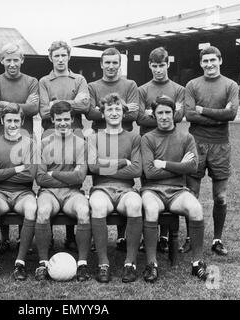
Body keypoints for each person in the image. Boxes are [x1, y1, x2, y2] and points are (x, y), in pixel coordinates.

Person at [140, 95, 208, 283]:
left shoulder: (186, 137)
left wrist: (164, 164)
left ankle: (197, 264)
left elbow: (193, 168)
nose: (164, 116)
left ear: (174, 114)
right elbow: (150, 173)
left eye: (167, 112)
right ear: (154, 116)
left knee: (195, 208)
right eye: (159, 113)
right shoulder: (147, 138)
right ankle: (152, 264)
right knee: (151, 209)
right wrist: (179, 166)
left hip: (178, 190)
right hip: (152, 190)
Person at [184, 46, 239, 256]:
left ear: (220, 60)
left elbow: (231, 114)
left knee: (221, 197)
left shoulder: (230, 85)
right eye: (205, 61)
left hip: (221, 146)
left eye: (213, 60)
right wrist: (219, 114)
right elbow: (190, 115)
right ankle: (190, 237)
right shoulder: (192, 85)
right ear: (201, 63)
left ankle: (217, 239)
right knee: (192, 194)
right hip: (195, 144)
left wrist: (203, 110)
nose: (209, 64)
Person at [86, 47, 140, 253]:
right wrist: (118, 108)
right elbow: (90, 114)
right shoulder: (93, 85)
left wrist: (109, 109)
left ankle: (122, 237)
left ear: (120, 64)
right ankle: (98, 238)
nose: (110, 66)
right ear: (101, 64)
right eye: (107, 62)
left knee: (125, 182)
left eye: (114, 62)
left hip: (124, 135)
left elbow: (133, 116)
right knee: (104, 180)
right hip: (101, 137)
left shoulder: (130, 84)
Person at [39, 40, 90, 250]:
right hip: (51, 133)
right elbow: (43, 111)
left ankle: (71, 236)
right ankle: (48, 235)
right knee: (50, 174)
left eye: (64, 55)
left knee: (73, 180)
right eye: (56, 56)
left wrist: (56, 105)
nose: (60, 60)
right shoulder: (44, 81)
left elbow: (85, 105)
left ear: (69, 57)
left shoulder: (78, 79)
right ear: (50, 58)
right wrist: (71, 103)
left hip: (74, 132)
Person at [0, 42, 39, 254]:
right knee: (0, 183)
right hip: (3, 137)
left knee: (24, 183)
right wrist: (20, 105)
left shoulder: (31, 81)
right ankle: (4, 237)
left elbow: (34, 108)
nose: (12, 64)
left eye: (15, 59)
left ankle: (21, 237)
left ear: (22, 60)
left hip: (25, 137)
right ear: (2, 61)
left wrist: (5, 103)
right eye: (8, 60)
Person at [88, 93, 142, 283]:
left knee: (136, 205)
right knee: (98, 206)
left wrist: (106, 167)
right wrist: (122, 162)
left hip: (126, 189)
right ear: (103, 114)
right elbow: (93, 167)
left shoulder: (133, 137)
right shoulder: (94, 137)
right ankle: (103, 263)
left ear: (123, 113)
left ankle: (130, 263)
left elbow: (136, 169)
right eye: (109, 109)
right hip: (101, 188)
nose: (113, 112)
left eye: (117, 109)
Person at [34, 101, 91, 282]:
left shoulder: (81, 144)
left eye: (67, 119)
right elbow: (40, 178)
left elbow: (80, 177)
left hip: (72, 193)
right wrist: (67, 175)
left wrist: (54, 173)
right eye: (59, 120)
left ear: (72, 119)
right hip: (48, 192)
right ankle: (43, 263)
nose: (63, 123)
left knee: (83, 211)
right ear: (52, 120)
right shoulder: (43, 144)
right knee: (42, 212)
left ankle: (82, 264)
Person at [136, 47, 185, 254]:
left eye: (162, 65)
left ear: (168, 64)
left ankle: (164, 235)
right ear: (149, 65)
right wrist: (162, 115)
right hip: (148, 141)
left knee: (169, 182)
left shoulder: (178, 89)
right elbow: (139, 117)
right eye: (154, 66)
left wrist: (152, 113)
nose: (158, 70)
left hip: (171, 142)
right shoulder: (142, 90)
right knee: (149, 182)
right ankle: (150, 235)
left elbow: (179, 116)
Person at [0, 104, 37, 281]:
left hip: (23, 193)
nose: (13, 125)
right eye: (9, 121)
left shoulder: (29, 143)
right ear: (1, 121)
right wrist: (17, 169)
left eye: (16, 120)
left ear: (22, 121)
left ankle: (20, 262)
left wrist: (2, 173)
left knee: (31, 208)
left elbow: (30, 174)